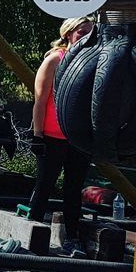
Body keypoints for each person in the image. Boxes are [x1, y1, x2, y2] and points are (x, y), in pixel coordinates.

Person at [28, 15, 94, 256]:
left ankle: (73, 237)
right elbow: (40, 100)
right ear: (68, 34)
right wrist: (37, 135)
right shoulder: (55, 59)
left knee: (73, 188)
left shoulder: (92, 59)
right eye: (81, 32)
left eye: (90, 33)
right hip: (52, 134)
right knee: (45, 184)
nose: (86, 37)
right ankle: (31, 230)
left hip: (78, 137)